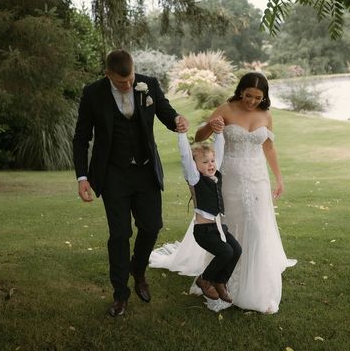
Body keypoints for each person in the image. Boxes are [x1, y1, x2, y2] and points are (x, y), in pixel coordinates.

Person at [150, 72, 296, 314]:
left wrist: (279, 178)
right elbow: (199, 138)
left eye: (258, 97)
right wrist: (211, 125)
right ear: (241, 91)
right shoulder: (226, 109)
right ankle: (217, 277)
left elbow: (269, 147)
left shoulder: (266, 115)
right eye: (248, 95)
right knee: (228, 228)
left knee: (257, 228)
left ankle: (253, 284)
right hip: (228, 179)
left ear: (264, 97)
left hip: (257, 178)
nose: (251, 101)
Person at [73, 49, 188, 317]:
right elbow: (81, 138)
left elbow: (166, 112)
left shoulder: (149, 85)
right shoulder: (93, 94)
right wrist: (82, 177)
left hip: (145, 171)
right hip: (112, 174)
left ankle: (138, 268)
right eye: (121, 81)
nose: (128, 85)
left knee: (152, 226)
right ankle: (120, 294)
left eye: (131, 79)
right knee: (119, 234)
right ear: (108, 74)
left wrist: (177, 120)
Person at [177, 129, 242, 303]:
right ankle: (204, 279)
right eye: (205, 162)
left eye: (212, 161)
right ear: (195, 165)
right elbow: (185, 157)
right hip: (204, 231)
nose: (211, 164)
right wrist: (182, 135)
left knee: (236, 250)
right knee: (226, 252)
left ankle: (220, 281)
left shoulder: (215, 175)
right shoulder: (194, 178)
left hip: (219, 227)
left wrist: (219, 134)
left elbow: (219, 153)